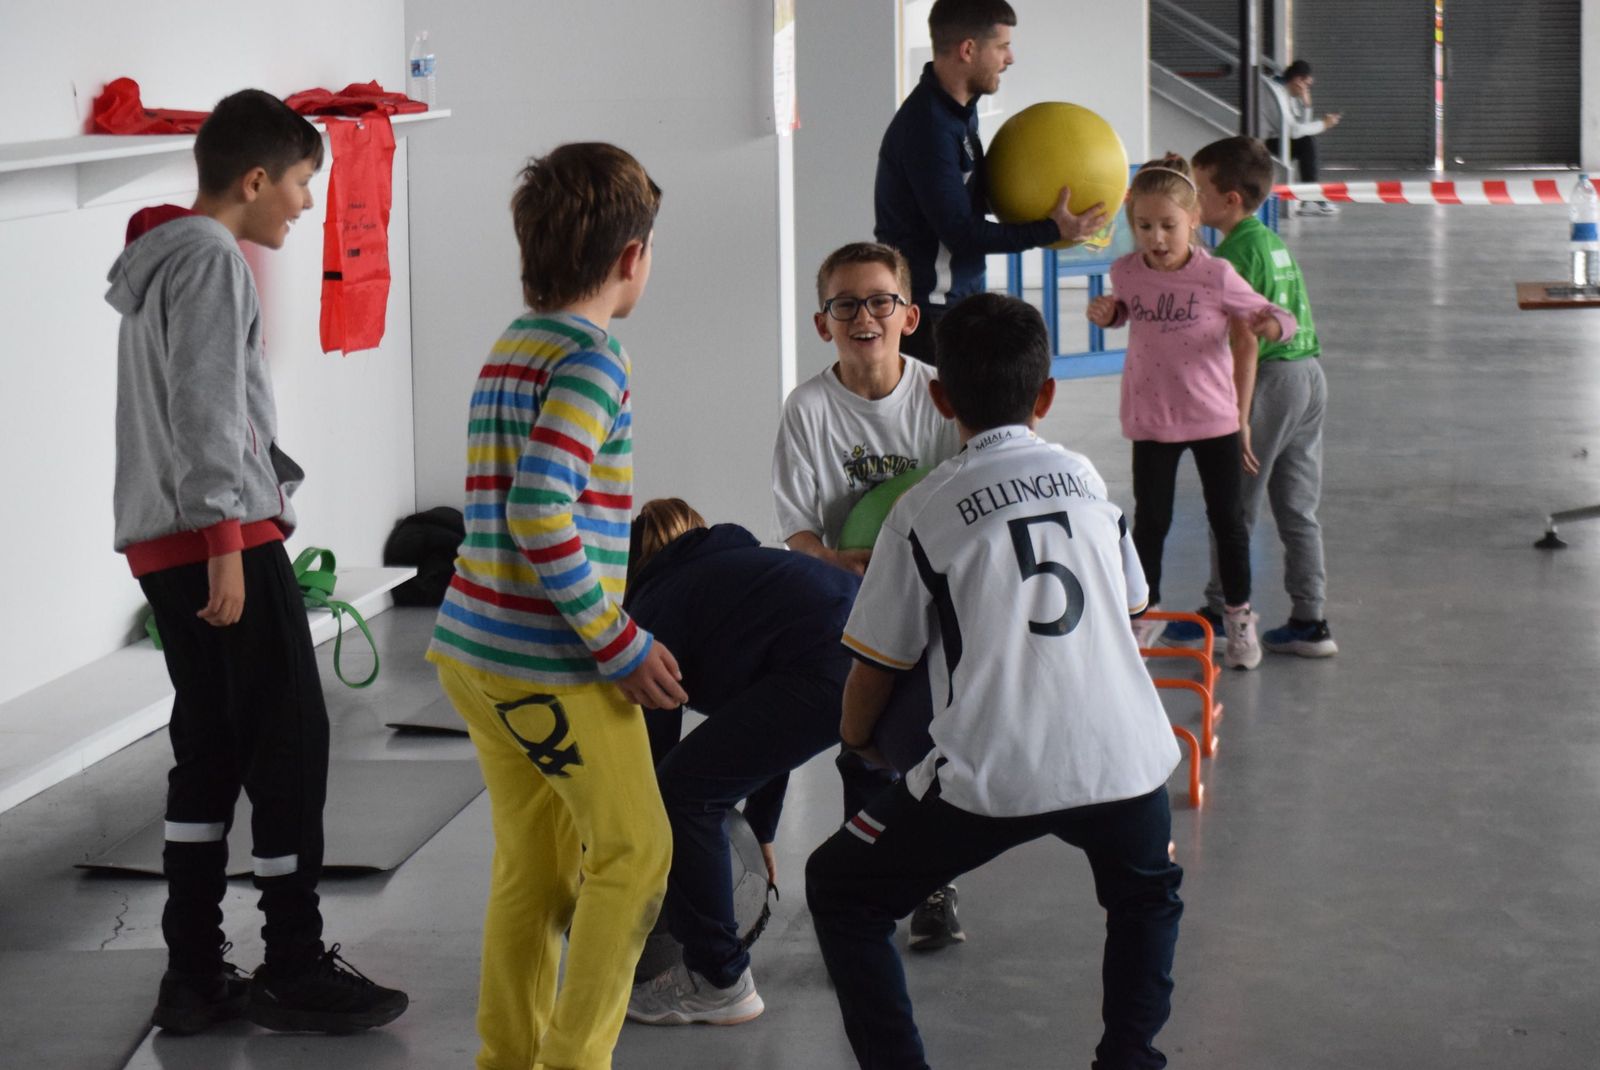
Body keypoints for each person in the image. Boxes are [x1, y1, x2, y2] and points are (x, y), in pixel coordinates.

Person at [805, 292, 1185, 1070]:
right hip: (1127, 755)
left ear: (940, 396)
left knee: (841, 888)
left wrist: (855, 747)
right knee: (1148, 895)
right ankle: (1130, 1057)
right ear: (1044, 396)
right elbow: (1135, 604)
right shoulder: (1085, 480)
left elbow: (876, 666)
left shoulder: (922, 511)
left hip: (993, 769)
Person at [107, 89, 408, 1036]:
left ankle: (194, 974)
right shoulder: (207, 258)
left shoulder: (169, 258)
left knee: (212, 748)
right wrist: (229, 543)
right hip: (220, 542)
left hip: (179, 540)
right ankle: (291, 963)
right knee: (288, 746)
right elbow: (207, 412)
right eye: (301, 184)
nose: (307, 206)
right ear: (254, 180)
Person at [426, 142, 682, 1070]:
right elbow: (540, 505)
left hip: (471, 652)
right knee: (636, 852)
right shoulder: (595, 362)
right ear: (630, 259)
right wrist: (615, 640)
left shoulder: (515, 342)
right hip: (552, 665)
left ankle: (510, 1058)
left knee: (533, 869)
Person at [772, 241, 965, 950]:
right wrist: (831, 560)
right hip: (848, 603)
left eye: (881, 300)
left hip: (936, 600)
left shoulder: (940, 396)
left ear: (909, 315)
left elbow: (966, 496)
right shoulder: (809, 409)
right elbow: (795, 526)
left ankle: (936, 886)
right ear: (823, 324)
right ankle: (870, 886)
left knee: (932, 745)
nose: (865, 315)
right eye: (845, 303)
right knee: (861, 749)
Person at [622, 498, 860, 1026]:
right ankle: (867, 926)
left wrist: (631, 859)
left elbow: (652, 759)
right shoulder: (742, 572)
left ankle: (718, 980)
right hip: (884, 652)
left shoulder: (657, 601)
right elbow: (766, 720)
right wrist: (761, 828)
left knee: (681, 793)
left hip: (830, 665)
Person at [1085, 154, 1297, 670]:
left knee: (1228, 520)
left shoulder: (1216, 274)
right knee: (1151, 520)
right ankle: (1143, 613)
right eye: (1144, 226)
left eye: (1168, 226)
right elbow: (1124, 309)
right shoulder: (1128, 272)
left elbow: (1277, 317)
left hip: (1212, 418)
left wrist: (1271, 325)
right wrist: (1110, 313)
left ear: (1194, 221)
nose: (1156, 238)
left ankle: (1238, 617)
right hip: (1152, 416)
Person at [1158, 136, 1335, 657]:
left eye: (1199, 190)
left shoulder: (1236, 253)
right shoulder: (1266, 241)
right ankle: (1311, 618)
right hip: (1308, 377)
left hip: (1270, 384)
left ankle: (1220, 609)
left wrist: (1237, 417)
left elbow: (1241, 342)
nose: (1191, 200)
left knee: (1230, 506)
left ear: (1229, 199)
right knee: (1298, 509)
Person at [874, 0, 1107, 361]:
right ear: (969, 49)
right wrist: (1050, 230)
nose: (1010, 58)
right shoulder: (929, 129)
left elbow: (969, 202)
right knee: (947, 418)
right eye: (1002, 46)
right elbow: (962, 233)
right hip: (926, 314)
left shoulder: (959, 111)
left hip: (957, 302)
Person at [1265, 59, 1342, 216]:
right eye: (1306, 85)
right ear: (1298, 80)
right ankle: (1312, 197)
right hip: (1264, 142)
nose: (1306, 89)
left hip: (1277, 138)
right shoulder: (1276, 93)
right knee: (1306, 142)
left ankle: (1309, 198)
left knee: (1307, 141)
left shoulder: (1287, 94)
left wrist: (1307, 105)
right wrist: (1323, 125)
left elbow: (1302, 128)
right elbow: (1294, 131)